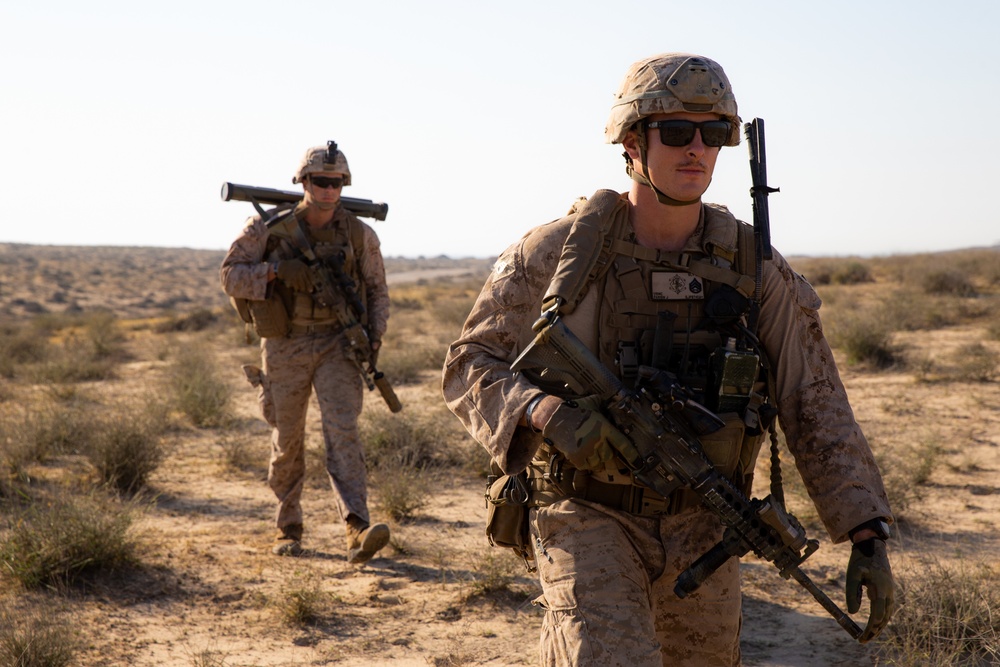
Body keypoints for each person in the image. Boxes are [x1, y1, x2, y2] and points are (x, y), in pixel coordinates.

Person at [442, 53, 894, 665]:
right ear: (632, 142)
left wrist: (867, 531)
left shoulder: (753, 265)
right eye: (677, 132)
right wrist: (545, 412)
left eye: (715, 134)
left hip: (705, 521)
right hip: (586, 511)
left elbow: (812, 397)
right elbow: (470, 363)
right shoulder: (557, 253)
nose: (697, 150)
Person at [221, 141, 391, 564]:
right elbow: (230, 276)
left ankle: (357, 527)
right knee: (287, 437)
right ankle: (288, 525)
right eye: (320, 181)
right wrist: (276, 271)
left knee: (344, 434)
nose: (329, 190)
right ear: (303, 181)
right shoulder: (266, 228)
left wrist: (374, 337)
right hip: (286, 343)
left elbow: (377, 289)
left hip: (338, 343)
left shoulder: (359, 234)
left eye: (336, 182)